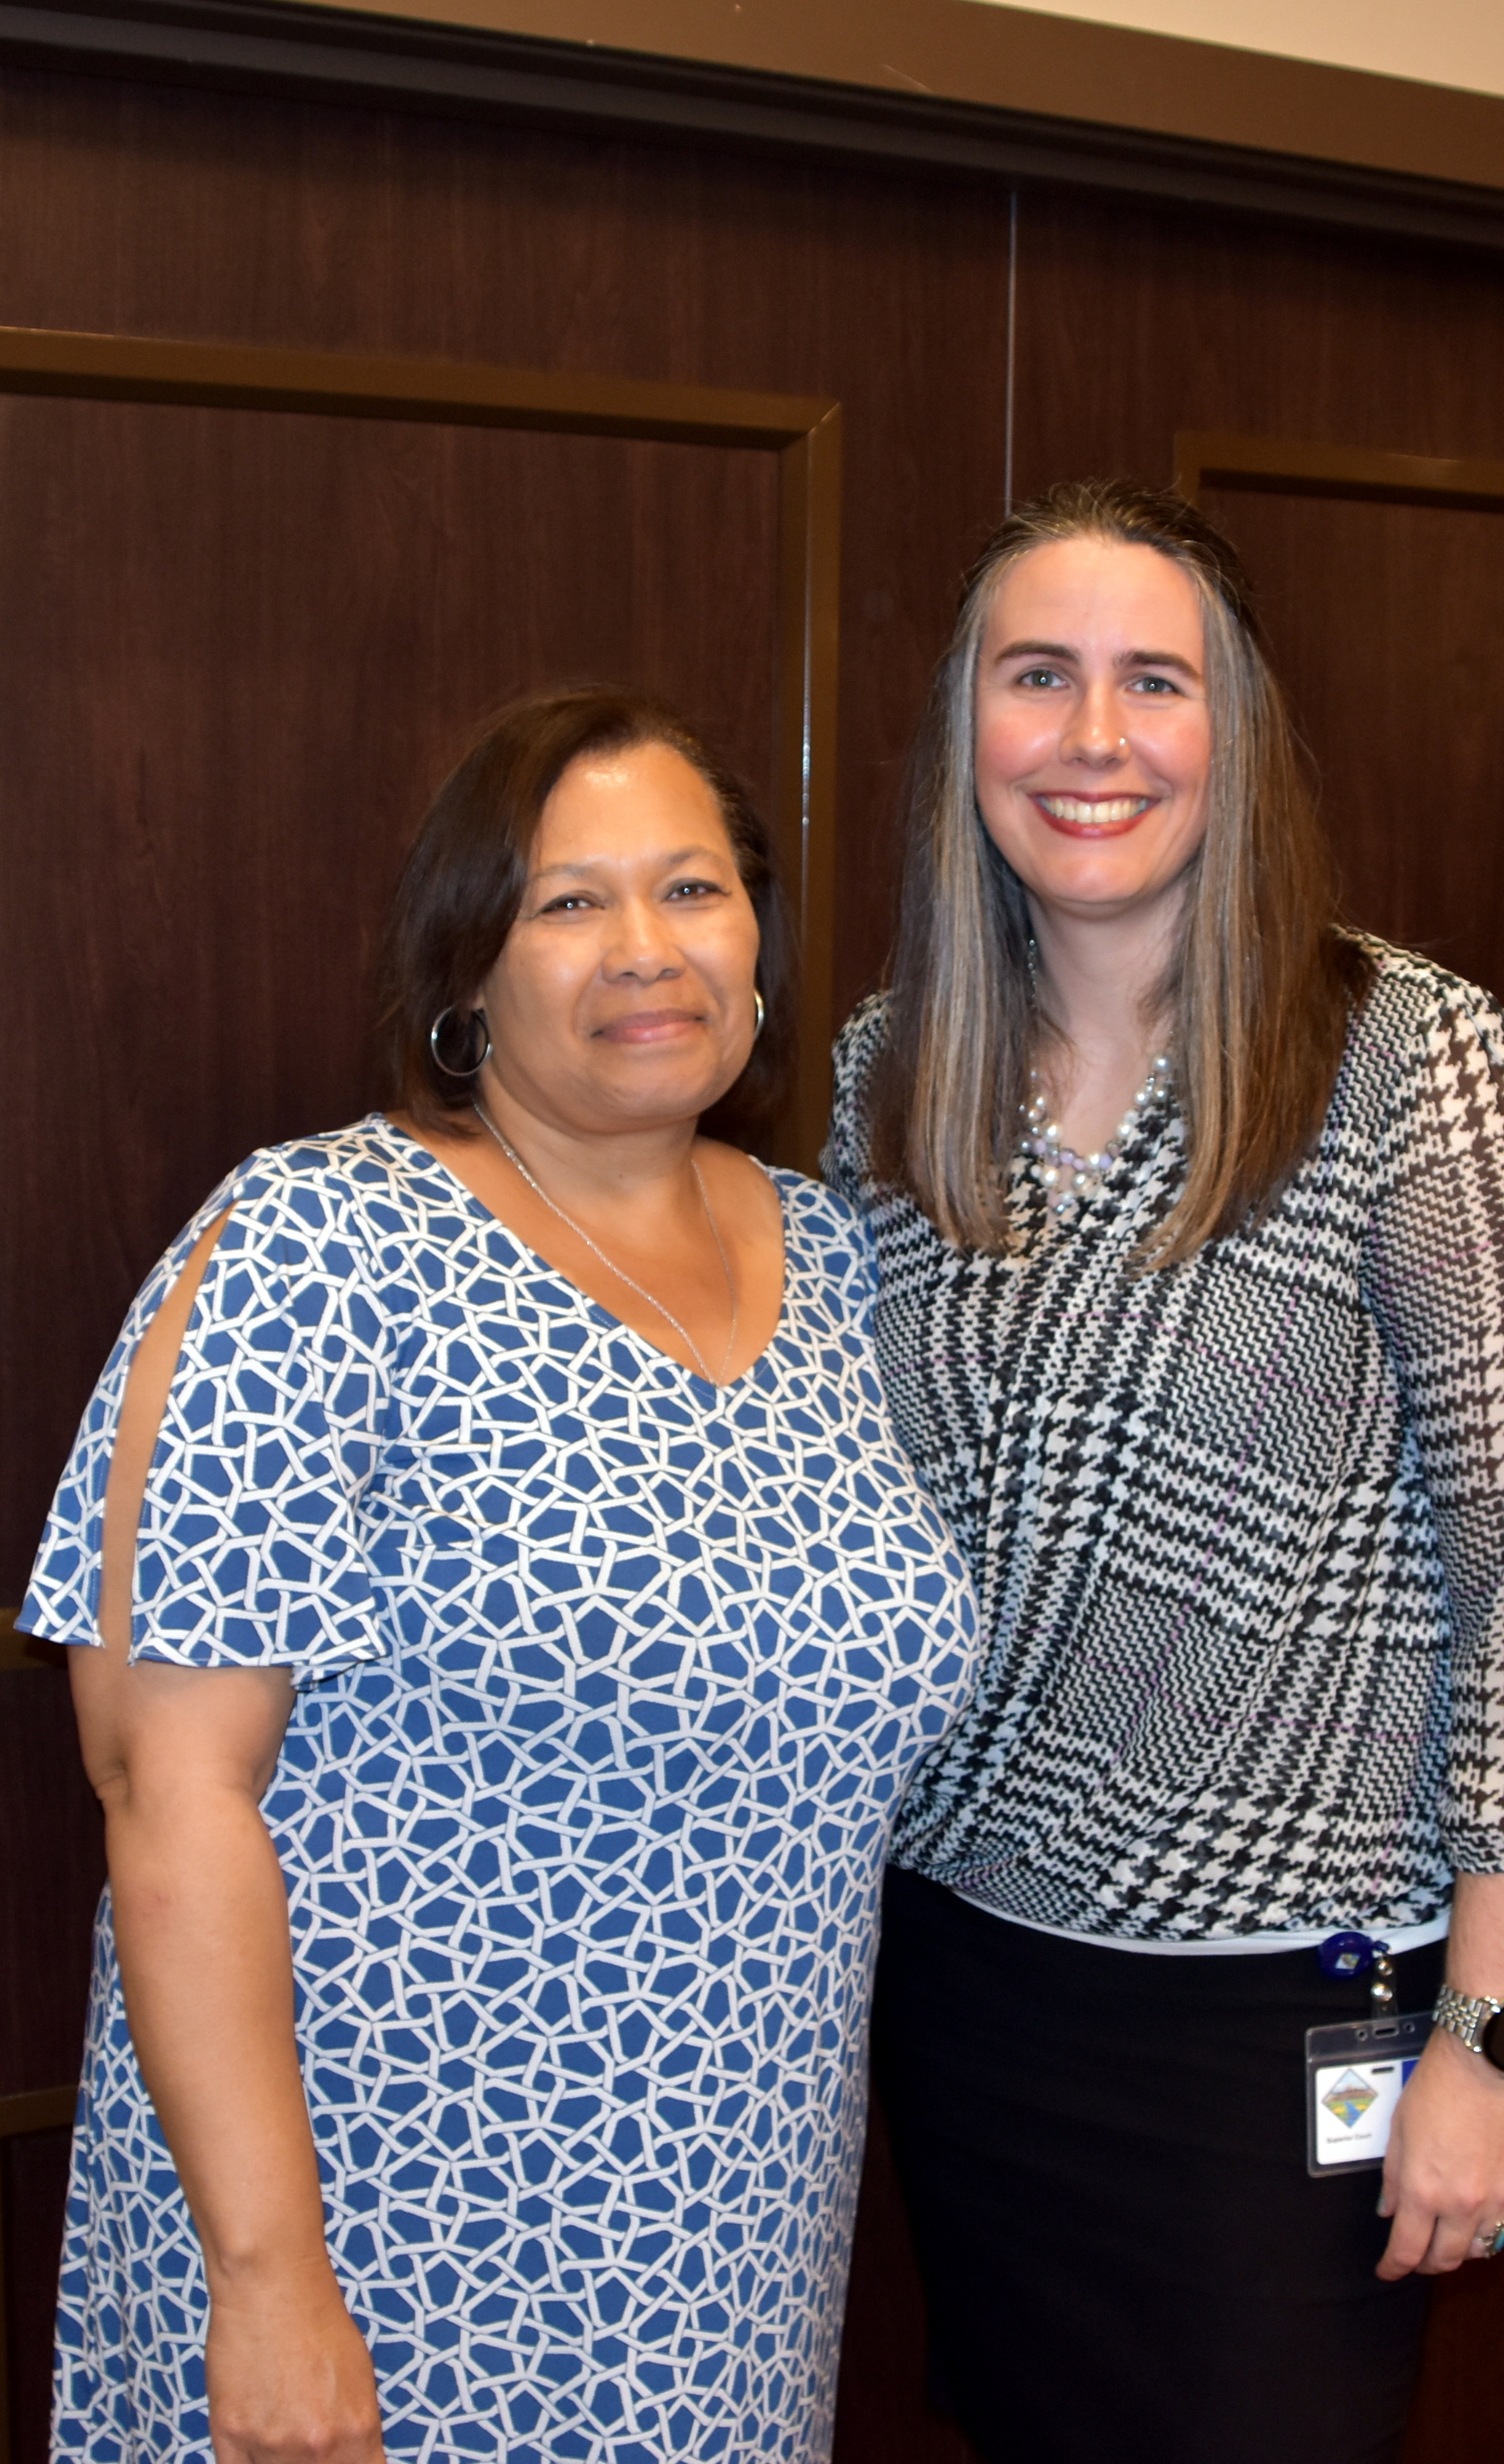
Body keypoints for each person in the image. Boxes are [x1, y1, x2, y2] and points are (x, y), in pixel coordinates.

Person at [21, 688, 978, 2464]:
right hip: (368, 2227)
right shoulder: (318, 1242)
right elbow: (165, 1788)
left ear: (756, 941)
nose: (644, 950)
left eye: (689, 889)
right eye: (567, 902)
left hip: (729, 2244)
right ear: (468, 965)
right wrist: (268, 2280)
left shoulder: (843, 1263)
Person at [823, 482, 1504, 2464]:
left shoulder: (1407, 1057)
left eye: (1152, 682)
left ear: (1233, 730)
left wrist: (1494, 2038)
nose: (1092, 737)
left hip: (1286, 2005)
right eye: (1036, 677)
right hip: (966, 1974)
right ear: (964, 728)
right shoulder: (886, 1072)